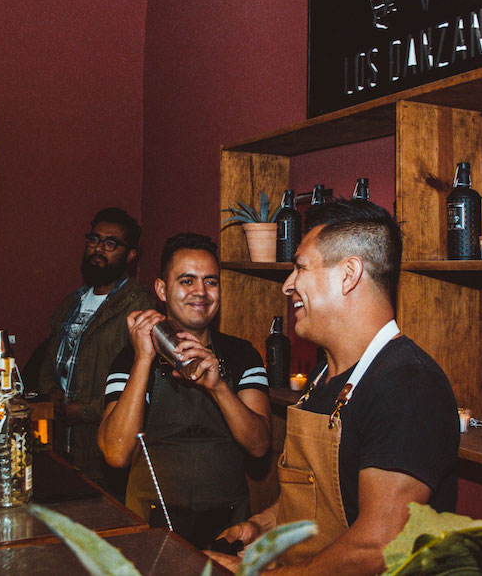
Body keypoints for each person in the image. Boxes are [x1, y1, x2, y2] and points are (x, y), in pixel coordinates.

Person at [214, 199, 460, 574]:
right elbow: (317, 496)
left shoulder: (409, 385)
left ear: (349, 274)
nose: (288, 285)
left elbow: (377, 547)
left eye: (300, 267)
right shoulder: (322, 376)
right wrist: (263, 526)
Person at [97, 233, 271, 548]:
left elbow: (259, 445)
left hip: (229, 529)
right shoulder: (129, 359)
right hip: (150, 529)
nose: (200, 292)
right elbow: (116, 453)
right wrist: (143, 359)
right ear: (162, 289)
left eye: (211, 282)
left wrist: (219, 387)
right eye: (187, 281)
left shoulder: (242, 355)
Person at [37, 207, 157, 496]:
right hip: (60, 443)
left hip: (100, 451)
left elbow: (141, 382)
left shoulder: (139, 305)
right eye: (94, 239)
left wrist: (85, 410)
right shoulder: (72, 301)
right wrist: (49, 390)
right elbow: (49, 358)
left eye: (111, 243)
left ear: (130, 255)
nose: (99, 248)